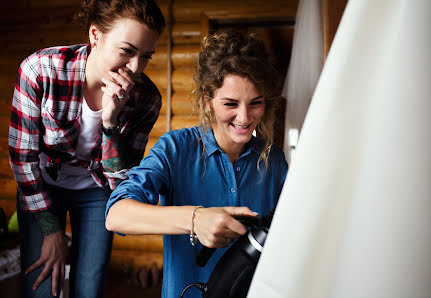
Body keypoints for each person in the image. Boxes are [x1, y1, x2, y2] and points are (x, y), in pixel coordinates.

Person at [105, 31, 289, 298]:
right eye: (230, 103)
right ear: (207, 100)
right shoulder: (175, 149)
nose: (245, 117)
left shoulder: (273, 160)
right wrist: (195, 219)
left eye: (256, 103)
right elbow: (116, 215)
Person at [8, 0, 165, 297]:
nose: (135, 68)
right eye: (126, 51)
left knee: (89, 288)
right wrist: (51, 230)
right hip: (41, 186)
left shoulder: (146, 98)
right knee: (41, 287)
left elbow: (121, 183)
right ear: (96, 35)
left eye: (146, 57)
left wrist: (110, 122)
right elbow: (23, 158)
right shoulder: (40, 70)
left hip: (96, 190)